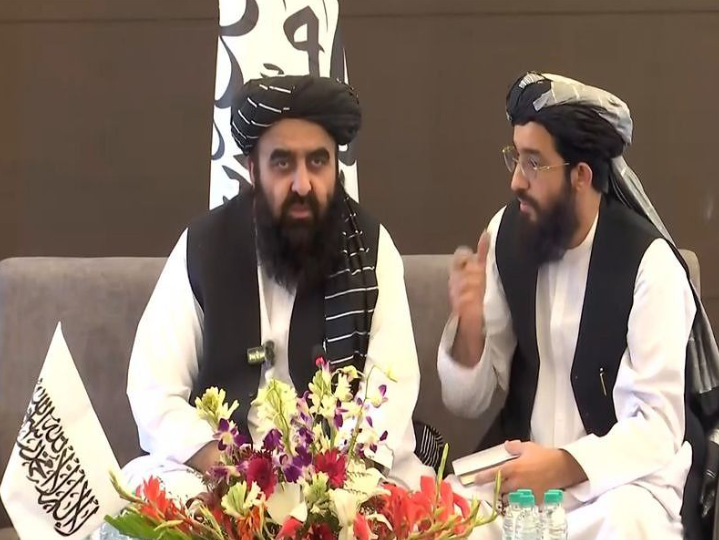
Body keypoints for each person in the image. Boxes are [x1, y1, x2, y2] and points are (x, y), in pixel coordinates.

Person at [123, 74, 433, 499]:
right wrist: (225, 467)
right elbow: (154, 389)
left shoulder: (371, 249)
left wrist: (330, 487)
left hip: (342, 473)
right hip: (224, 472)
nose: (302, 184)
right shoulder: (204, 246)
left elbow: (391, 392)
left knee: (406, 506)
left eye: (318, 162)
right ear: (253, 170)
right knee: (147, 494)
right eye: (283, 163)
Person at [438, 72, 705, 539]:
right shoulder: (506, 235)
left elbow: (657, 427)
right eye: (515, 158)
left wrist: (562, 465)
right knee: (443, 512)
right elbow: (466, 401)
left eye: (534, 163)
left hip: (616, 482)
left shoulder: (650, 264)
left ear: (581, 175)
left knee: (628, 524)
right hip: (523, 477)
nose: (516, 181)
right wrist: (470, 324)